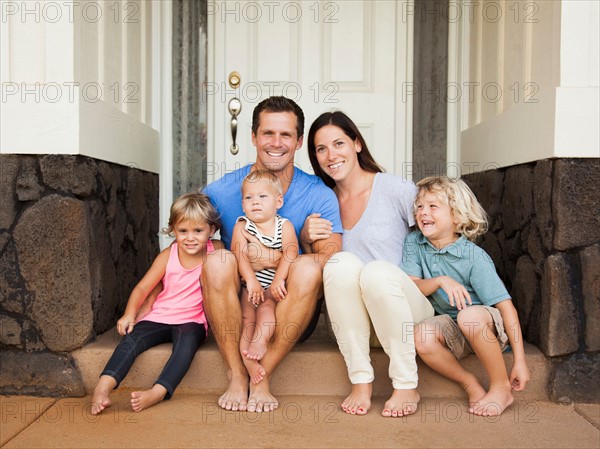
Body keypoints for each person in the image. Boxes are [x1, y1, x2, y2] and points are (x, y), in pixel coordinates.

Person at [203, 96, 342, 413]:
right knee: (217, 261)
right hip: (239, 303)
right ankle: (237, 374)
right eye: (268, 133)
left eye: (286, 135)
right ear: (253, 136)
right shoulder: (221, 191)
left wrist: (275, 257)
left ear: (298, 141)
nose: (276, 143)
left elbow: (331, 260)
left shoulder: (318, 193)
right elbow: (189, 248)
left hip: (288, 304)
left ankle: (262, 374)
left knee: (308, 268)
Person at [307, 111, 435, 418]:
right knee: (339, 263)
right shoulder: (323, 201)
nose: (330, 155)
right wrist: (304, 234)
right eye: (321, 149)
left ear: (357, 144)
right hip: (359, 323)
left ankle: (406, 384)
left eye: (339, 143)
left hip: (406, 314)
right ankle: (361, 381)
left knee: (376, 271)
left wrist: (448, 285)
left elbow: (437, 238)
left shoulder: (395, 189)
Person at [404, 176, 530, 416]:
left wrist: (520, 361)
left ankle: (501, 387)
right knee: (421, 335)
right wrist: (441, 280)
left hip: (485, 325)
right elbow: (411, 286)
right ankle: (469, 382)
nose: (423, 212)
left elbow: (506, 308)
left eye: (433, 206)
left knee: (469, 316)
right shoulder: (414, 243)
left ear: (457, 216)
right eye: (419, 206)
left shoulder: (474, 257)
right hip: (452, 327)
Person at [90, 193, 222, 415]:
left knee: (186, 347)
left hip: (192, 320)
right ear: (172, 230)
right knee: (131, 342)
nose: (190, 238)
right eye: (183, 231)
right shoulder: (168, 255)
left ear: (211, 230)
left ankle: (158, 391)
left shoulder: (216, 250)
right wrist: (130, 314)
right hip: (159, 316)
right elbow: (143, 287)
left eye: (198, 231)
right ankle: (102, 388)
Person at [232, 170, 299, 384]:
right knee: (246, 320)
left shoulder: (284, 226)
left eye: (263, 197)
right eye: (249, 198)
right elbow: (240, 256)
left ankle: (260, 342)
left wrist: (279, 279)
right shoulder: (242, 226)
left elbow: (290, 253)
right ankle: (249, 362)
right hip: (249, 287)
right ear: (243, 205)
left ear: (278, 201)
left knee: (267, 310)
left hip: (271, 287)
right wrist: (251, 282)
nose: (255, 202)